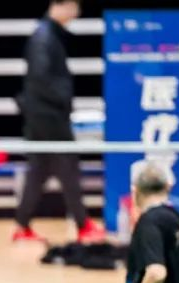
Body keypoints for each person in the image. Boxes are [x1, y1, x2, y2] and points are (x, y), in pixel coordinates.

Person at [13, 0, 106, 244]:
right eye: (74, 6)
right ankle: (83, 224)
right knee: (68, 166)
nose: (77, 13)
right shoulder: (43, 37)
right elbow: (40, 78)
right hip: (48, 116)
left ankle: (22, 225)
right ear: (59, 5)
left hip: (44, 115)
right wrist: (64, 98)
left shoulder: (49, 34)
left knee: (39, 170)